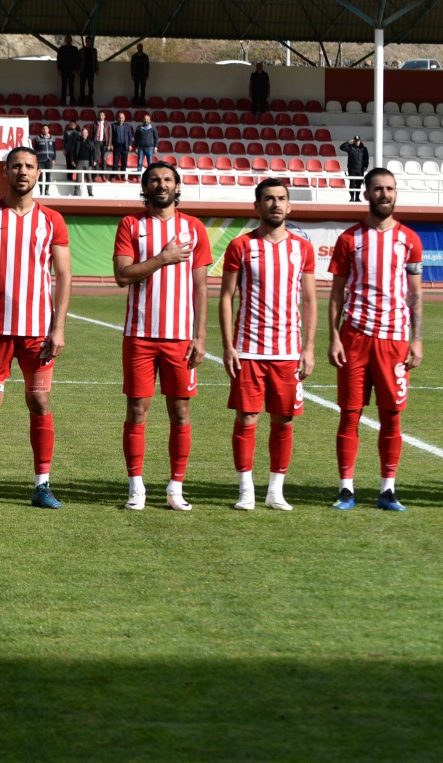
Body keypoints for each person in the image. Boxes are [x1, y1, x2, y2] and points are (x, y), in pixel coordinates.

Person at [0, 148, 71, 509]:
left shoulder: (52, 219)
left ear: (39, 173)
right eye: (16, 166)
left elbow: (64, 276)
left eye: (29, 166)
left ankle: (43, 485)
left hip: (38, 331)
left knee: (39, 401)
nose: (22, 171)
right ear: (5, 171)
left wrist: (58, 328)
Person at [115, 162, 213, 511]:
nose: (161, 184)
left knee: (180, 412)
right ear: (145, 186)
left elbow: (201, 288)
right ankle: (136, 486)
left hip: (180, 339)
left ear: (177, 186)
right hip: (140, 336)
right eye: (154, 179)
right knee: (137, 410)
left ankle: (176, 487)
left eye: (168, 179)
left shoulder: (195, 228)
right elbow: (123, 276)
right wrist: (163, 258)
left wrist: (199, 336)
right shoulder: (131, 224)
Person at [327, 168, 424, 512]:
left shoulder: (409, 239)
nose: (385, 194)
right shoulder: (349, 239)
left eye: (390, 189)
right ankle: (346, 489)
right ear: (366, 194)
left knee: (392, 416)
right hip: (354, 337)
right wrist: (334, 337)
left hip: (395, 340)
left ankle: (387, 490)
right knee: (350, 414)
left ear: (395, 194)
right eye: (379, 189)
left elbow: (414, 293)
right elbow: (336, 293)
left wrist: (417, 339)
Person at [219, 178, 317, 512]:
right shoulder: (241, 246)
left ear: (289, 206)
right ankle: (246, 490)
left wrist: (309, 348)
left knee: (284, 420)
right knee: (247, 420)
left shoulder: (301, 248)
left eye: (282, 199)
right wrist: (229, 346)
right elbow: (226, 296)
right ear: (257, 206)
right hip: (248, 350)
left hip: (288, 351)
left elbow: (308, 299)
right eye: (269, 199)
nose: (276, 204)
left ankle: (276, 490)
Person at [339, 135, 369, 203]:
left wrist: (365, 166)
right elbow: (341, 147)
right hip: (352, 169)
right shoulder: (350, 147)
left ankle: (357, 197)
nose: (357, 142)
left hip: (360, 169)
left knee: (359, 184)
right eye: (355, 141)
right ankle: (352, 197)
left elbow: (366, 159)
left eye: (358, 141)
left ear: (360, 141)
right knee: (352, 183)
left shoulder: (363, 149)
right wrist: (348, 142)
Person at [32, 125, 58, 194]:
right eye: (43, 129)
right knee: (40, 176)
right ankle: (41, 191)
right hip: (40, 160)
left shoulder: (52, 138)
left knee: (48, 176)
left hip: (49, 160)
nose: (45, 130)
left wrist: (54, 159)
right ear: (42, 130)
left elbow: (54, 149)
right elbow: (35, 150)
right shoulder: (38, 138)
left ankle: (47, 190)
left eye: (46, 129)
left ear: (48, 130)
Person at [74, 124, 98, 197]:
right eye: (83, 133)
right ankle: (76, 193)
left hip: (88, 162)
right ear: (81, 133)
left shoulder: (90, 142)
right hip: (79, 162)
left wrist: (94, 160)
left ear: (87, 134)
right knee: (78, 178)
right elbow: (73, 151)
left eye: (85, 133)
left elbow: (94, 152)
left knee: (89, 178)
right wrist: (73, 160)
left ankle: (90, 193)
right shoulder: (77, 141)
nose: (84, 134)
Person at [55, 36, 79, 106]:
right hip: (63, 69)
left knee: (71, 85)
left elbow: (77, 60)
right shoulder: (62, 49)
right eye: (67, 39)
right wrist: (59, 69)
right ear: (65, 40)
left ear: (71, 40)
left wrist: (75, 69)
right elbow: (59, 60)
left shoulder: (74, 49)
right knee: (64, 85)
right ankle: (63, 100)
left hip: (72, 70)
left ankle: (71, 101)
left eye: (69, 39)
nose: (68, 40)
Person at [111, 110, 134, 177]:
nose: (121, 119)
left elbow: (130, 136)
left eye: (122, 118)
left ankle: (123, 175)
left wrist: (130, 144)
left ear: (124, 118)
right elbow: (111, 136)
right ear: (117, 118)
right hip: (116, 146)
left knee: (124, 162)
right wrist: (111, 144)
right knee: (115, 162)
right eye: (120, 118)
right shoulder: (113, 126)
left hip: (125, 146)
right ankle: (114, 176)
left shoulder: (128, 126)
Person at [79, 36, 100, 105]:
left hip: (91, 70)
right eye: (88, 41)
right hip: (83, 70)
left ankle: (90, 101)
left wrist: (97, 69)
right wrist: (78, 69)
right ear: (85, 41)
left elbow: (95, 60)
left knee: (91, 86)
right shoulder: (81, 50)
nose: (89, 42)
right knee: (82, 86)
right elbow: (78, 61)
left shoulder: (94, 50)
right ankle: (82, 101)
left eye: (90, 41)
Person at [93, 111, 112, 181]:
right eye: (100, 115)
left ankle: (104, 175)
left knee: (104, 159)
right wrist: (93, 142)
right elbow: (92, 134)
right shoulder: (95, 123)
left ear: (104, 116)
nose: (101, 116)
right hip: (97, 142)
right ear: (98, 116)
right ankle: (97, 175)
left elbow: (110, 135)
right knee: (97, 159)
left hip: (104, 142)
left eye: (102, 115)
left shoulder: (107, 124)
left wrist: (109, 144)